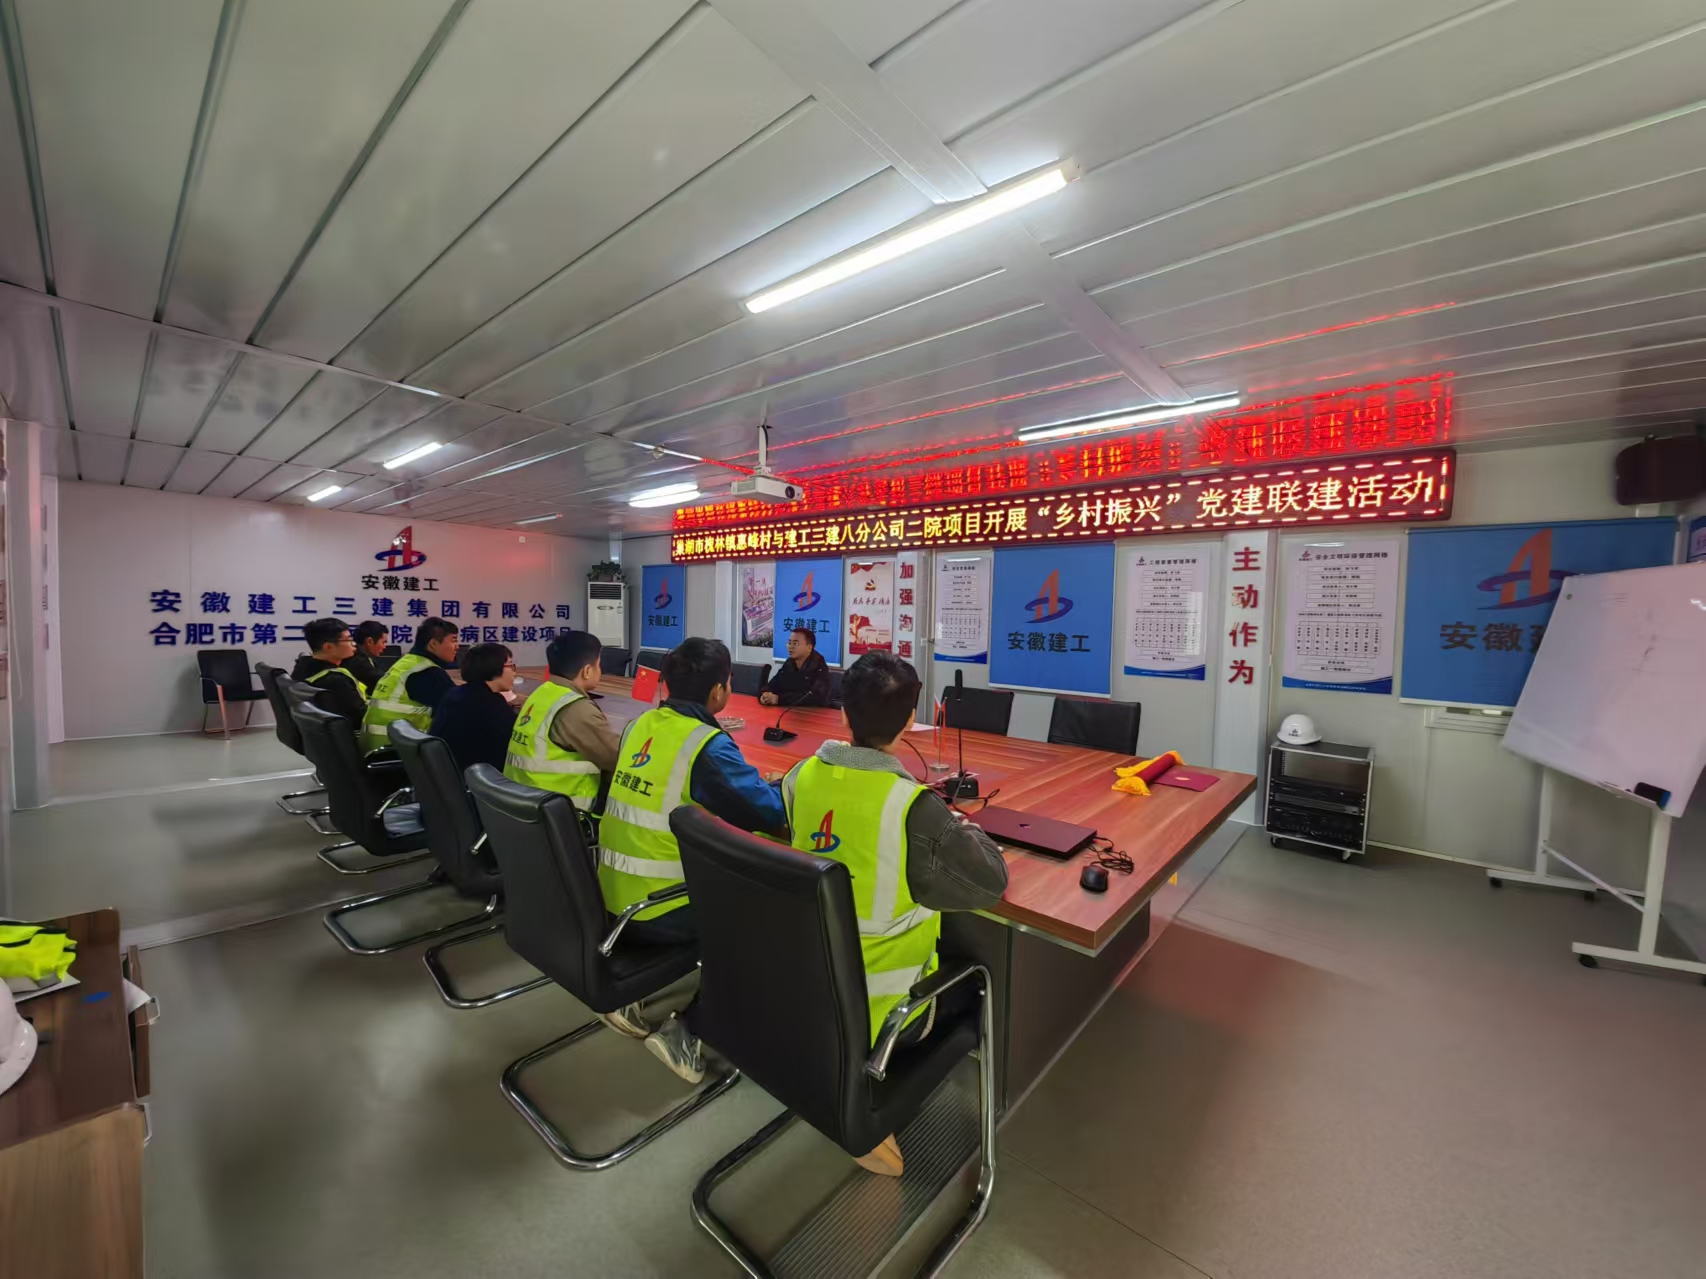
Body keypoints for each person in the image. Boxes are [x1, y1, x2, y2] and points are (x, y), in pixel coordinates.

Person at [781, 649, 1007, 1178]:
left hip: (806, 988)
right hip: (891, 1012)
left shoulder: (798, 777)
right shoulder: (912, 807)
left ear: (842, 713)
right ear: (910, 722)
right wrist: (962, 824)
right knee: (977, 977)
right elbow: (990, 882)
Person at [596, 637, 788, 1083]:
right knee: (769, 915)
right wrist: (783, 785)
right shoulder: (705, 745)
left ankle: (631, 994)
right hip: (660, 908)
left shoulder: (641, 725)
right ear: (720, 691)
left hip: (608, 894)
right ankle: (692, 1031)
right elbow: (768, 814)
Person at [503, 630, 620, 809]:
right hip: (561, 813)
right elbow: (618, 758)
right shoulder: (576, 709)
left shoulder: (542, 693)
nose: (600, 671)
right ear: (587, 671)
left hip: (522, 802)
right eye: (598, 665)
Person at [361, 617, 459, 753]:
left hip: (378, 747)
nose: (457, 646)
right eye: (453, 640)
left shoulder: (408, 663)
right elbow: (459, 711)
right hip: (395, 753)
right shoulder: (426, 672)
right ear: (433, 644)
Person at [428, 643, 519, 774]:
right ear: (494, 666)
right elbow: (516, 741)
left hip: (446, 774)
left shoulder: (454, 694)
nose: (515, 672)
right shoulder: (489, 703)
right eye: (510, 665)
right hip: (478, 778)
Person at [289, 618, 367, 728]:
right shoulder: (336, 681)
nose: (354, 644)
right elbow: (362, 716)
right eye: (348, 640)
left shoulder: (302, 667)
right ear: (328, 647)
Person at [760, 626, 831, 707]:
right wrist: (765, 694)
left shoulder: (818, 665)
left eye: (795, 644)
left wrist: (779, 699)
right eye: (789, 643)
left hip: (814, 712)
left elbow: (816, 697)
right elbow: (774, 683)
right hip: (790, 710)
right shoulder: (790, 663)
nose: (790, 646)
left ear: (809, 647)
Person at [344, 620, 390, 691]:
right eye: (383, 642)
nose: (384, 646)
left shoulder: (363, 657)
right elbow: (383, 681)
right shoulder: (358, 661)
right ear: (369, 641)